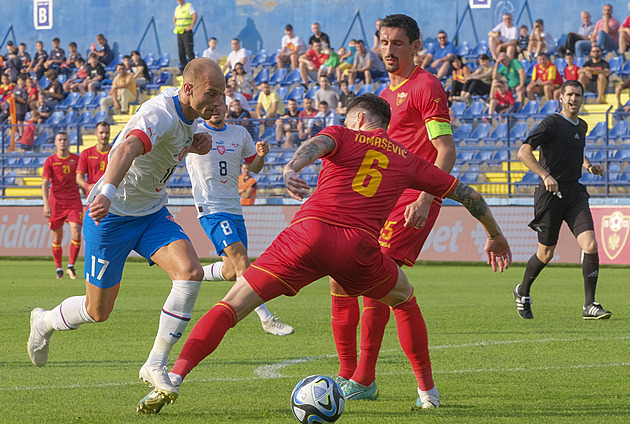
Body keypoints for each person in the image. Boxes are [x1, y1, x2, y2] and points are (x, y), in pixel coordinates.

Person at [135, 93, 512, 414]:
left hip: (307, 234)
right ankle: (427, 394)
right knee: (405, 301)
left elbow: (316, 146)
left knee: (231, 305)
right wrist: (494, 234)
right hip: (359, 249)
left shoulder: (342, 133)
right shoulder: (407, 158)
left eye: (347, 117)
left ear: (359, 118)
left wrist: (291, 167)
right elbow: (468, 194)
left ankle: (176, 376)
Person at [26, 59, 225, 413]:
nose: (218, 101)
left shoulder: (186, 115)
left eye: (222, 94)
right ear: (189, 89)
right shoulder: (159, 113)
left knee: (190, 272)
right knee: (97, 311)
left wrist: (193, 144)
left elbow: (169, 144)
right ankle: (43, 321)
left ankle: (155, 364)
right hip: (112, 216)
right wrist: (107, 191)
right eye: (212, 93)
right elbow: (125, 148)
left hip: (150, 214)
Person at [329, 14, 457, 405]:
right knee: (339, 279)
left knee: (375, 283)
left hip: (410, 203)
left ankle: (366, 378)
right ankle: (349, 373)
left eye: (397, 43)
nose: (388, 50)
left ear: (415, 46)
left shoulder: (426, 86)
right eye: (383, 42)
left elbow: (446, 150)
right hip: (380, 203)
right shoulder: (384, 96)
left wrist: (426, 198)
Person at [186, 100, 294, 336]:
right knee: (243, 260)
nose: (215, 110)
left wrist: (262, 156)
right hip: (211, 208)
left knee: (231, 271)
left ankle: (190, 272)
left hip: (234, 208)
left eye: (219, 106)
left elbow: (254, 167)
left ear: (226, 109)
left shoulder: (240, 133)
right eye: (210, 106)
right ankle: (267, 319)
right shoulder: (194, 132)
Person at [514, 79, 611, 321]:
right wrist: (545, 174)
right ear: (561, 97)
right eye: (569, 95)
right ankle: (522, 290)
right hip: (550, 195)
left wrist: (589, 166)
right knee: (546, 254)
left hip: (575, 194)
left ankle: (590, 305)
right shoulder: (551, 123)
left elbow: (576, 152)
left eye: (577, 95)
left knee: (591, 245)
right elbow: (524, 151)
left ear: (582, 98)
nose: (573, 99)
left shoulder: (582, 126)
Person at [40, 132, 83, 280]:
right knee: (57, 237)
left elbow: (81, 179)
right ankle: (59, 269)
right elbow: (45, 183)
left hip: (73, 201)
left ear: (68, 142)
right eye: (59, 140)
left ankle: (71, 267)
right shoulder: (50, 161)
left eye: (65, 139)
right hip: (56, 202)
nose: (62, 142)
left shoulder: (76, 159)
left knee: (76, 233)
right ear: (55, 143)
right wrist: (46, 203)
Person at [77, 121, 111, 196]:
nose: (104, 135)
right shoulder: (87, 153)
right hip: (93, 194)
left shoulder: (115, 152)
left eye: (107, 133)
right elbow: (79, 178)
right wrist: (88, 187)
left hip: (111, 194)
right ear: (96, 134)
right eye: (101, 132)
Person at [173, 0, 198, 74]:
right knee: (181, 51)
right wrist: (176, 26)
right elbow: (175, 18)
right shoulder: (177, 8)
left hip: (186, 32)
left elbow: (195, 15)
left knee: (189, 51)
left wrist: (191, 27)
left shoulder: (188, 6)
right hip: (179, 32)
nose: (179, 1)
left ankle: (193, 69)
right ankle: (183, 69)